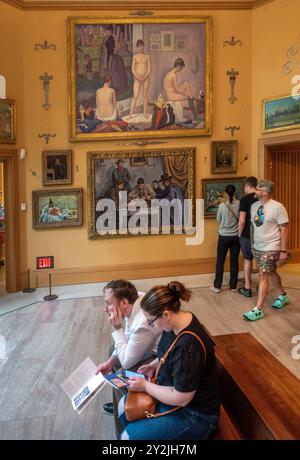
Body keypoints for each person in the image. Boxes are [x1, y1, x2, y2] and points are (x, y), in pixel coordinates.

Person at [118, 281, 221, 440]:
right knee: (122, 409)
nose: (151, 325)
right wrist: (154, 364)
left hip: (195, 415)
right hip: (174, 395)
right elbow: (168, 352)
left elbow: (181, 398)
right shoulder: (177, 322)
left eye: (151, 321)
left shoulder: (189, 347)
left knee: (127, 436)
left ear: (166, 314)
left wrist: (145, 385)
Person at [96, 280, 161, 417]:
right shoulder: (135, 301)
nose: (105, 308)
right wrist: (110, 362)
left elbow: (126, 362)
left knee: (123, 372)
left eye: (108, 303)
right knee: (112, 353)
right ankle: (125, 400)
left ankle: (134, 406)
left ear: (124, 303)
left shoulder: (143, 322)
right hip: (145, 346)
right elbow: (128, 335)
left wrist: (117, 328)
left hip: (158, 357)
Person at [243, 180, 289, 321]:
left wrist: (283, 251)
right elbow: (253, 226)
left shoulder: (278, 207)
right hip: (258, 246)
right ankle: (283, 295)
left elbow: (284, 229)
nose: (254, 191)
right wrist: (252, 244)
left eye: (257, 189)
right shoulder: (254, 206)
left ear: (264, 192)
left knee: (263, 274)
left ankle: (258, 309)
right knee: (270, 271)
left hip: (271, 247)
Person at [210, 184, 240, 293]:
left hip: (223, 236)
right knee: (234, 261)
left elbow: (218, 220)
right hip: (235, 236)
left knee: (220, 261)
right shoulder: (239, 204)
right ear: (235, 192)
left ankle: (217, 286)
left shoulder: (222, 206)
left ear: (225, 193)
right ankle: (233, 286)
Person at [238, 176, 258, 297]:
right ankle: (262, 285)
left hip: (247, 234)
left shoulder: (244, 200)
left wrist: (239, 234)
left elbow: (242, 220)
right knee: (261, 262)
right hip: (261, 234)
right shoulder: (262, 199)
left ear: (247, 186)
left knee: (247, 259)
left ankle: (247, 287)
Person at [163, 58, 198, 122]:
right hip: (171, 96)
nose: (181, 70)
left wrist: (186, 92)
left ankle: (195, 115)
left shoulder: (168, 73)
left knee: (186, 83)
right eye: (181, 68)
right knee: (189, 97)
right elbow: (177, 90)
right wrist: (188, 94)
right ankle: (195, 117)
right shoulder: (173, 75)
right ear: (178, 66)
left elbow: (174, 88)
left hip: (171, 94)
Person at [129, 39, 151, 119]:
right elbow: (132, 69)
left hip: (146, 78)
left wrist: (145, 76)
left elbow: (149, 68)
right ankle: (131, 114)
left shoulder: (147, 56)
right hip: (137, 78)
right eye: (139, 46)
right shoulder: (135, 56)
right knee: (135, 96)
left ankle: (145, 113)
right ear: (137, 47)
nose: (141, 48)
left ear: (144, 46)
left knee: (145, 95)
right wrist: (138, 77)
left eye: (142, 46)